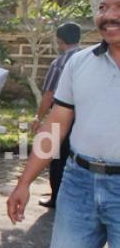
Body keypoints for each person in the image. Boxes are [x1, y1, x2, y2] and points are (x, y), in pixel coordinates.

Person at [7, 0, 120, 248]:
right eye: (103, 7)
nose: (108, 15)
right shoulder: (79, 63)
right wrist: (24, 182)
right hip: (79, 182)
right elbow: (56, 124)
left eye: (118, 7)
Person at [30, 22, 82, 208]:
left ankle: (57, 197)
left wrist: (39, 118)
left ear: (59, 41)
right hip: (85, 119)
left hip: (63, 117)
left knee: (58, 158)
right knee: (78, 158)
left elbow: (49, 94)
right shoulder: (89, 60)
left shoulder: (60, 63)